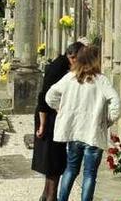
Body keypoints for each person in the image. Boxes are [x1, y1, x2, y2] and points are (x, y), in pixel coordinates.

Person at [46, 45, 121, 201]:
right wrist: (107, 120)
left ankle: (62, 199)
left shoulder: (70, 78)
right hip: (93, 133)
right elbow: (116, 104)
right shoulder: (101, 80)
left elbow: (50, 96)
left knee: (70, 170)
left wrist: (61, 109)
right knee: (89, 174)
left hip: (74, 132)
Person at [33, 41, 85, 201]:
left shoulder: (64, 64)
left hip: (54, 117)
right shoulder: (59, 67)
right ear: (74, 57)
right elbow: (43, 97)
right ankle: (51, 197)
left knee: (53, 159)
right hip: (48, 118)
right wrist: (42, 125)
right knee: (54, 160)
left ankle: (46, 195)